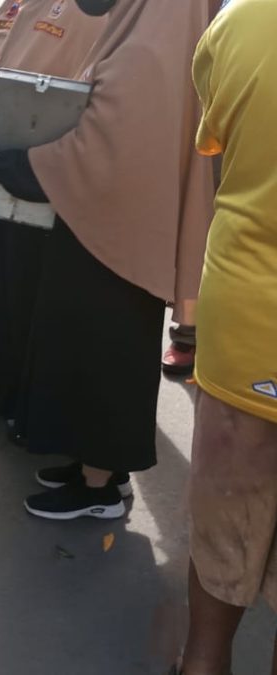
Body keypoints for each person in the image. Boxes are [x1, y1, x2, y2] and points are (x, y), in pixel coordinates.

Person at [0, 0, 213, 520]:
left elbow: (104, 142)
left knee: (105, 349)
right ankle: (95, 470)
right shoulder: (151, 23)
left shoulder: (153, 38)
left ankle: (99, 489)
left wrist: (5, 166)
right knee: (91, 341)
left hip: (117, 221)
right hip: (115, 217)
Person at [176, 1, 277, 672]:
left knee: (223, 526)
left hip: (245, 325)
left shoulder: (241, 19)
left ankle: (201, 661)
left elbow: (217, 151)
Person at [0, 0, 105, 419]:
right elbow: (11, 48)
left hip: (50, 163)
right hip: (6, 152)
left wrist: (16, 101)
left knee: (35, 283)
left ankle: (30, 403)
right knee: (2, 276)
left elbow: (91, 90)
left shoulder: (108, 11)